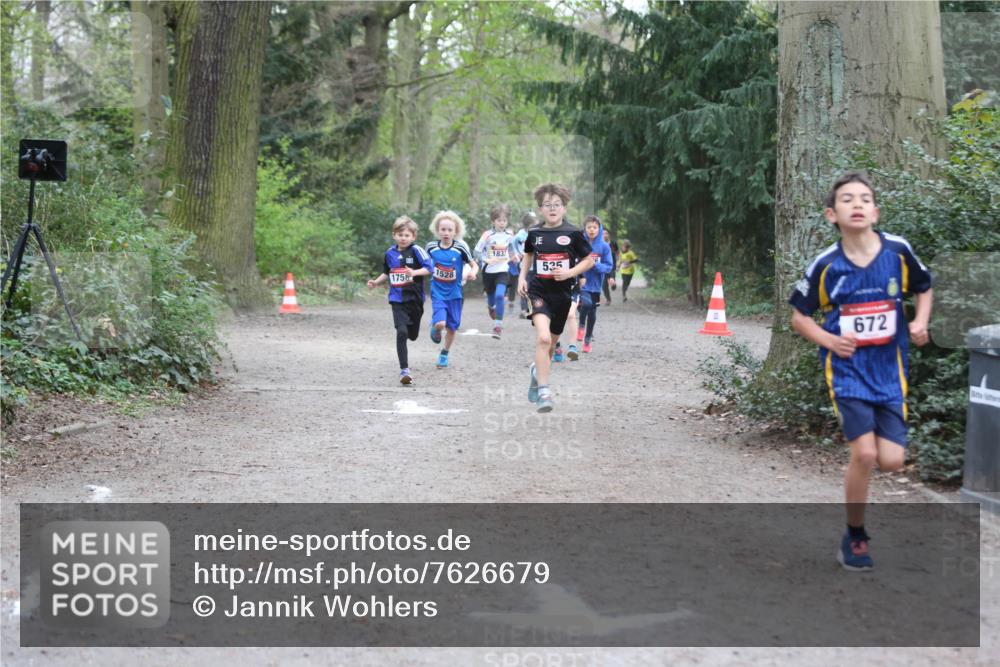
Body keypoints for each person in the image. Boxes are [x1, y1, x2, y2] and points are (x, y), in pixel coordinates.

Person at [788, 171, 933, 571]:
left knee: (892, 461)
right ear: (831, 214)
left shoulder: (898, 252)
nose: (857, 204)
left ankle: (855, 523)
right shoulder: (827, 264)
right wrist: (830, 341)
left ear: (876, 211)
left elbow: (924, 286)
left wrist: (920, 321)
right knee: (865, 454)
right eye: (848, 199)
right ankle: (855, 536)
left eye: (865, 199)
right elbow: (799, 316)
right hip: (848, 371)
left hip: (890, 372)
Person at [518, 183, 594, 412]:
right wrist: (523, 277)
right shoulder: (535, 234)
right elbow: (528, 255)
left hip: (562, 295)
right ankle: (544, 392)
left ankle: (536, 373)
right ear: (541, 209)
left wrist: (570, 273)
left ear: (564, 207)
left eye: (557, 205)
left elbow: (589, 260)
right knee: (542, 339)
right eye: (547, 205)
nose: (552, 209)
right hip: (538, 291)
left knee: (550, 346)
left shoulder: (573, 233)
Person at [367, 215, 434, 385]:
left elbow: (429, 268)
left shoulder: (417, 250)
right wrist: (376, 282)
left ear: (413, 237)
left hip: (415, 299)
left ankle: (414, 331)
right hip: (397, 299)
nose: (403, 238)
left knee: (412, 335)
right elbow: (387, 272)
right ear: (394, 235)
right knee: (402, 332)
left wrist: (414, 273)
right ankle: (404, 370)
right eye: (400, 234)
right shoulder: (389, 253)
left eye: (407, 235)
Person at [426, 210, 478, 369]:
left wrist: (473, 273)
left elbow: (473, 264)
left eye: (450, 230)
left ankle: (444, 353)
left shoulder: (460, 248)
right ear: (437, 230)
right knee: (441, 323)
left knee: (452, 328)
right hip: (438, 292)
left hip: (455, 293)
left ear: (456, 231)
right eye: (443, 229)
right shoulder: (431, 247)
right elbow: (424, 265)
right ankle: (435, 327)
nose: (446, 233)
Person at [475, 204, 517, 339]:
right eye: (499, 220)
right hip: (488, 272)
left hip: (503, 270)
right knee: (492, 299)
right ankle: (490, 306)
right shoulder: (487, 235)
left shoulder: (510, 234)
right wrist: (486, 259)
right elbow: (476, 251)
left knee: (500, 296)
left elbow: (511, 248)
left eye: (504, 220)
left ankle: (498, 326)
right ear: (493, 221)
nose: (502, 223)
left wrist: (514, 256)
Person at [577, 215, 614, 353]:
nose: (592, 230)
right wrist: (579, 272)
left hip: (596, 285)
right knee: (586, 304)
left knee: (592, 312)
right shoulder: (580, 243)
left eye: (595, 227)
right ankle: (581, 325)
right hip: (583, 282)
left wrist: (595, 265)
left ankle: (587, 340)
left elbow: (608, 266)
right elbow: (574, 260)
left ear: (599, 229)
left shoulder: (604, 247)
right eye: (589, 227)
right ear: (585, 229)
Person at [512, 212, 538, 319]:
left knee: (534, 288)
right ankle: (523, 310)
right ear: (527, 225)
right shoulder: (520, 235)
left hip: (536, 266)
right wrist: (518, 255)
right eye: (533, 224)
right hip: (524, 266)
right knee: (524, 287)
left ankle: (532, 309)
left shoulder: (538, 233)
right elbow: (513, 245)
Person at [601, 228, 619, 305]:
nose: (605, 235)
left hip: (612, 265)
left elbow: (617, 253)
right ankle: (608, 299)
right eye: (603, 233)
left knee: (611, 279)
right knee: (604, 285)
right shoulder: (599, 244)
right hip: (603, 266)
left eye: (606, 233)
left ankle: (613, 284)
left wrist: (618, 262)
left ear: (609, 235)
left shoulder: (613, 243)